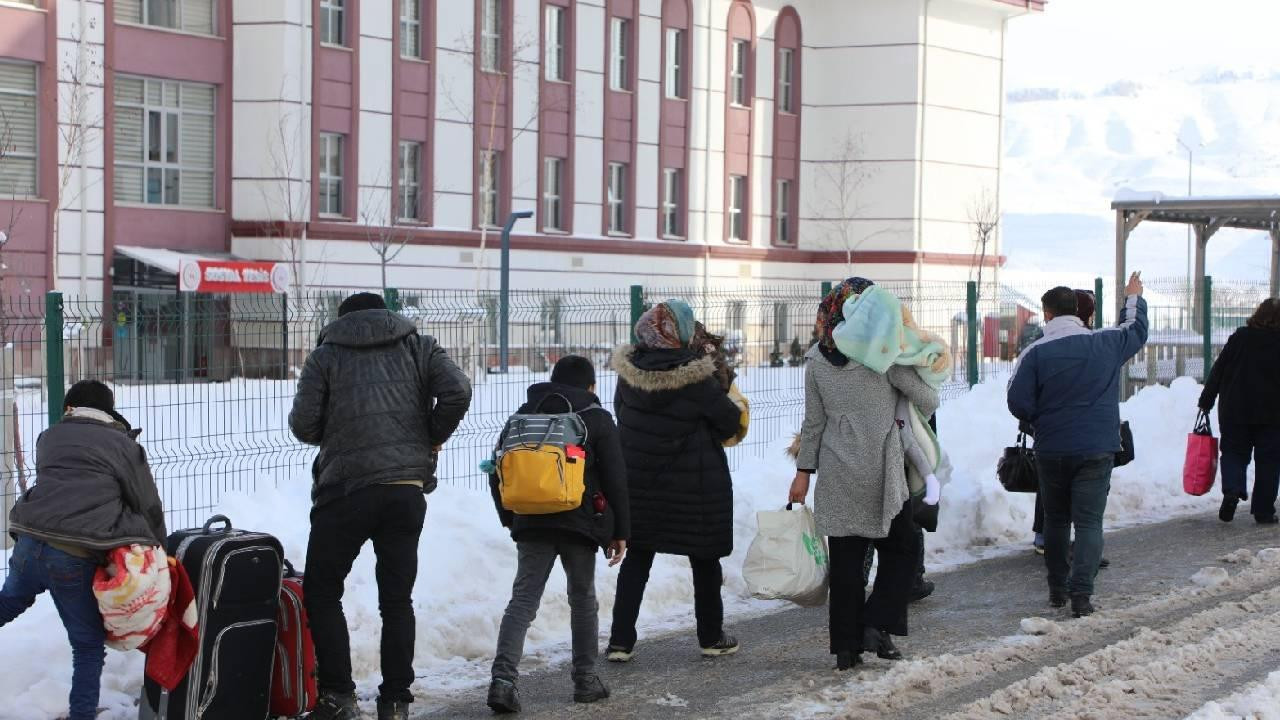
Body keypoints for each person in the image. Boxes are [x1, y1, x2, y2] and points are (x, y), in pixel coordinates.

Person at [290, 292, 473, 720]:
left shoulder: (326, 356)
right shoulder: (419, 346)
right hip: (404, 491)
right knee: (396, 599)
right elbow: (458, 390)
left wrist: (338, 432)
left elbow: (303, 424)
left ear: (342, 321)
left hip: (345, 492)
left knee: (322, 589)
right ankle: (395, 701)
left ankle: (338, 696)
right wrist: (430, 435)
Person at [789, 278, 939, 671]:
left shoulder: (817, 361)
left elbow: (813, 423)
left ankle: (845, 647)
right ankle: (874, 623)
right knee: (902, 549)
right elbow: (929, 399)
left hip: (837, 473)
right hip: (881, 473)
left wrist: (804, 472)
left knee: (846, 565)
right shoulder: (882, 357)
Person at [2, 380, 166, 720]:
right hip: (71, 556)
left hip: (29, 543)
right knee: (88, 646)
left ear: (70, 409)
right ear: (108, 411)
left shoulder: (48, 438)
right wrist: (163, 550)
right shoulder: (121, 445)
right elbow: (145, 502)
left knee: (7, 604)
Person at [485, 355, 631, 713]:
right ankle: (585, 680)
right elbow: (615, 479)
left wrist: (512, 518)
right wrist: (620, 531)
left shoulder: (523, 414)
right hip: (579, 521)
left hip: (531, 520)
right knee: (582, 600)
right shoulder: (595, 418)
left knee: (523, 600)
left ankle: (503, 681)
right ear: (591, 386)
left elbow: (497, 470)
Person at [606, 301, 745, 661]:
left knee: (637, 559)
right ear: (678, 333)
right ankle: (711, 637)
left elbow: (622, 415)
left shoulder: (628, 376)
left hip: (640, 484)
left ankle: (620, 641)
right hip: (694, 488)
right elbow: (729, 423)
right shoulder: (696, 378)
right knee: (704, 560)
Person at [1008, 274, 1148, 618]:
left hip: (1052, 449)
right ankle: (1081, 594)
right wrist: (1133, 297)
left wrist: (1040, 421)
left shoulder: (1035, 352)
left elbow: (1016, 401)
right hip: (1097, 448)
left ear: (1048, 314)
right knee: (1089, 523)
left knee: (1056, 519)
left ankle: (1057, 587)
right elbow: (1136, 329)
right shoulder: (1106, 342)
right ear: (1079, 312)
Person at [1199, 298, 1280, 525]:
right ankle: (1263, 511)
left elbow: (1219, 369)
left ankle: (1233, 490)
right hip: (1272, 415)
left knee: (1234, 453)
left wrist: (1206, 400)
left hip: (1235, 410)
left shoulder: (1240, 337)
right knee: (1269, 461)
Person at [1032, 289, 1097, 554]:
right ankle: (1072, 547)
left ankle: (1048, 540)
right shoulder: (1088, 343)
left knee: (1050, 486)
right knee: (1071, 491)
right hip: (1076, 431)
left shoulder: (1044, 342)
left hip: (1051, 429)